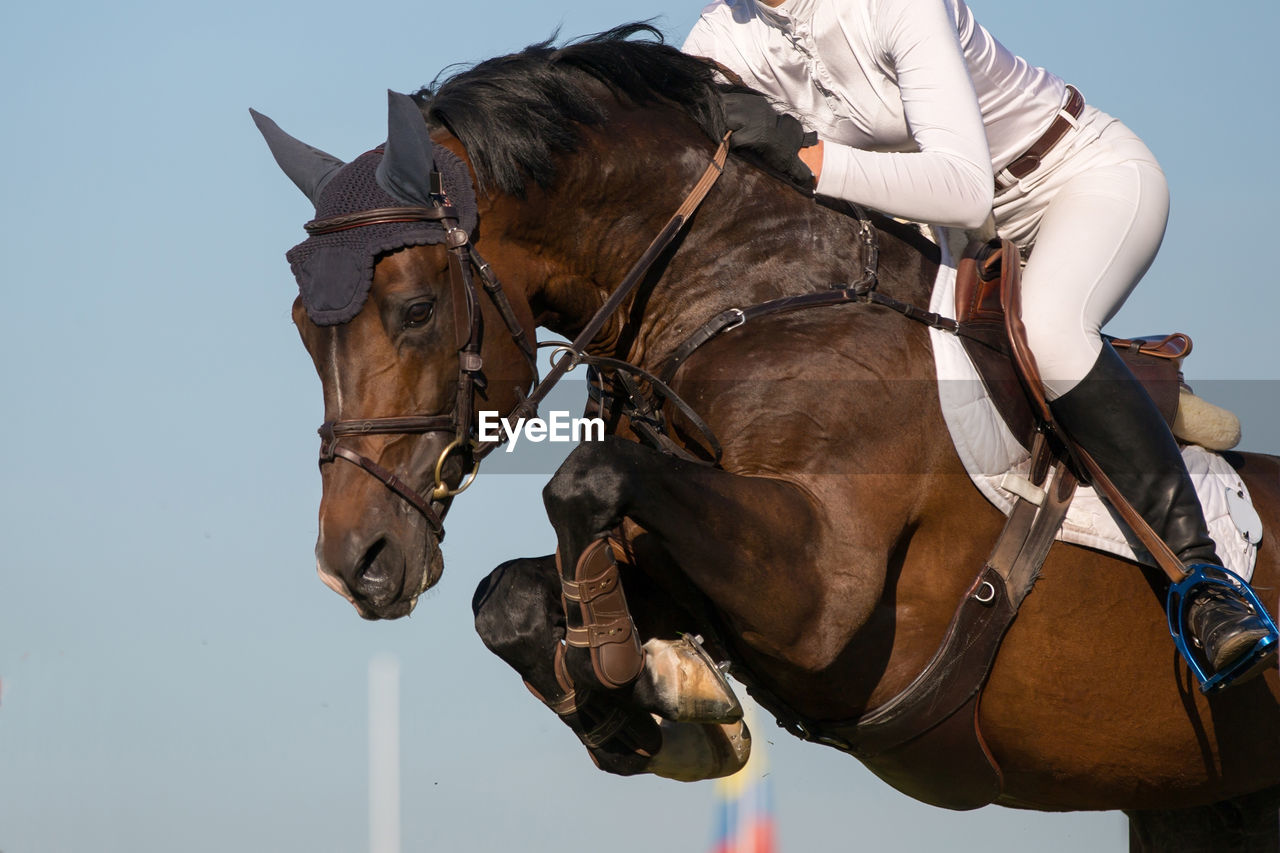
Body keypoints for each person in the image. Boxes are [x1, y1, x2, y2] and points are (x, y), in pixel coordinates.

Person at [682, 0, 1276, 684]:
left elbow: (963, 190)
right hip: (955, 241)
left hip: (1072, 180)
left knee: (1050, 333)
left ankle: (1205, 585)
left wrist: (807, 156)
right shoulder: (720, 37)